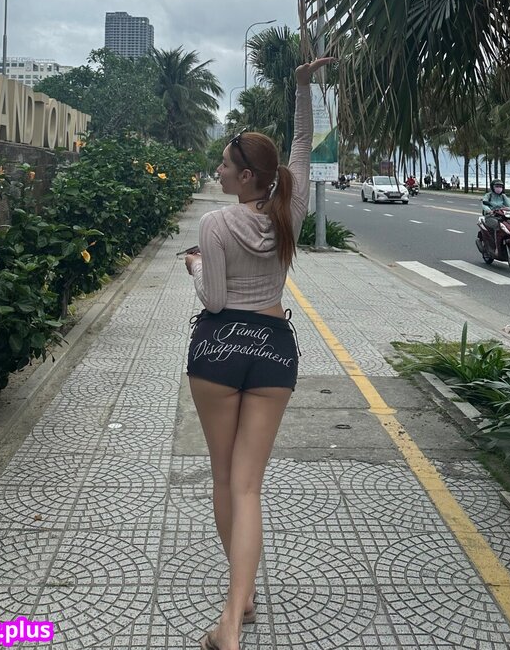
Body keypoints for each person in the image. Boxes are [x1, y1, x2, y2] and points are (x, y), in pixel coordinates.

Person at [184, 56, 334, 650]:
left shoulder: (215, 225)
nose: (218, 170)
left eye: (225, 164)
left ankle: (236, 612)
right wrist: (303, 88)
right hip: (273, 348)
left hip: (218, 349)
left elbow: (215, 300)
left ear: (246, 176)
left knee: (225, 479)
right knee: (249, 485)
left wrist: (196, 268)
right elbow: (301, 149)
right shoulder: (288, 213)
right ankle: (236, 607)